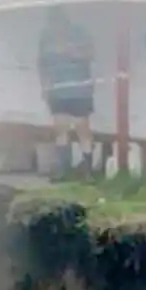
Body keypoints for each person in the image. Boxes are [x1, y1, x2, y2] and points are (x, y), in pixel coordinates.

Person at [37, 12, 96, 174]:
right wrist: (44, 85)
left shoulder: (80, 34)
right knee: (60, 128)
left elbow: (90, 55)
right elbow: (41, 63)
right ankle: (64, 169)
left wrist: (72, 51)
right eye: (52, 25)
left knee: (82, 128)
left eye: (58, 24)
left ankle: (88, 170)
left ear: (65, 23)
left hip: (80, 89)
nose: (56, 29)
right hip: (57, 90)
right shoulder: (46, 38)